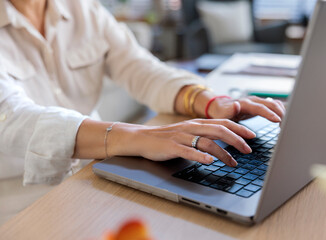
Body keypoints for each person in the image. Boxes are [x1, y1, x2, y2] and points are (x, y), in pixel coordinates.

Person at [0, 0, 285, 225]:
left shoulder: (83, 8)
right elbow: (12, 117)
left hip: (94, 177)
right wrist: (136, 136)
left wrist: (209, 102)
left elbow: (140, 67)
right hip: (22, 202)